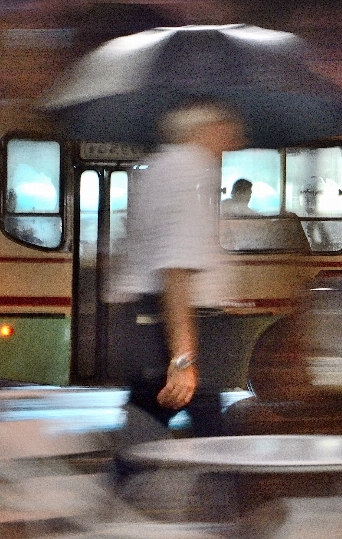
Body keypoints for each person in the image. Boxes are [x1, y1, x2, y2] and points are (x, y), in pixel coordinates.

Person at [106, 101, 248, 437]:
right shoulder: (192, 170)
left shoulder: (156, 168)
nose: (234, 136)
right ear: (205, 128)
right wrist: (182, 360)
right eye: (225, 125)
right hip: (175, 326)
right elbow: (175, 269)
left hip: (149, 319)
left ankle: (123, 480)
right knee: (206, 432)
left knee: (148, 425)